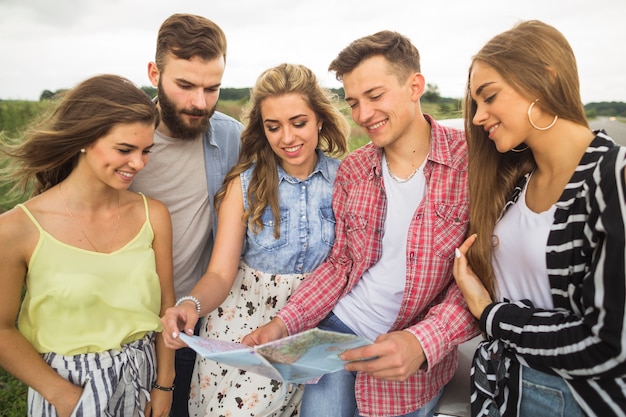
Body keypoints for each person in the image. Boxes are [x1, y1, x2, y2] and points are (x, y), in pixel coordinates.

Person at [243, 31, 478, 417]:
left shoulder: (470, 166)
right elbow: (342, 265)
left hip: (408, 350)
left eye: (375, 95)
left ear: (414, 86)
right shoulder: (354, 169)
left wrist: (423, 342)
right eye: (354, 102)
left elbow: (480, 278)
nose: (364, 115)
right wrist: (284, 324)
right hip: (336, 330)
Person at [453, 20, 626, 417]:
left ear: (544, 81)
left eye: (489, 96)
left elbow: (609, 345)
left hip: (571, 399)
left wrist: (490, 313)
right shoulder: (518, 180)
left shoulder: (613, 176)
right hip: (504, 389)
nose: (479, 116)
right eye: (475, 103)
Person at [161, 62, 350, 416]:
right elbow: (219, 273)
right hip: (244, 335)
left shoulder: (347, 181)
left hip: (312, 336)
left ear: (320, 119)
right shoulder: (244, 185)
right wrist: (191, 305)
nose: (287, 138)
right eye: (273, 127)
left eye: (299, 122)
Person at [0, 74, 175, 417]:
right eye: (125, 149)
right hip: (64, 389)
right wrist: (64, 397)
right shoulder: (17, 228)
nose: (138, 163)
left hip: (143, 381)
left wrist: (164, 383)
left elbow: (166, 306)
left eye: (145, 151)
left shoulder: (153, 214)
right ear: (84, 139)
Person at [129, 13, 243, 417]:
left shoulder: (230, 136)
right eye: (185, 86)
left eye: (212, 89)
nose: (200, 102)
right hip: (123, 327)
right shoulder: (121, 138)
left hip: (189, 327)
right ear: (154, 72)